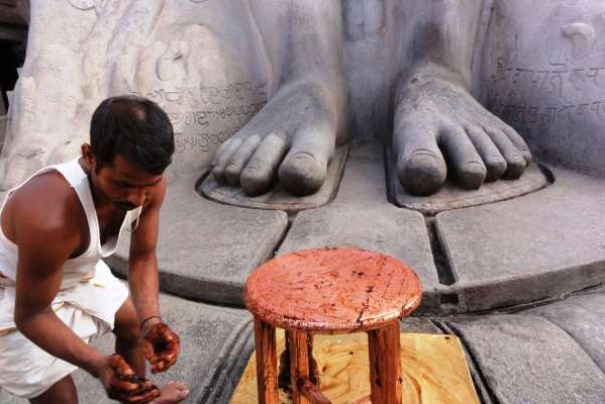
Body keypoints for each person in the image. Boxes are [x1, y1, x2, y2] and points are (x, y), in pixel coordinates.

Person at [0, 95, 189, 403]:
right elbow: (32, 313)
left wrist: (151, 321)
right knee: (63, 398)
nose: (138, 199)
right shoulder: (50, 216)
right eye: (124, 185)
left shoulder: (148, 184)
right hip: (16, 293)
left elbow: (142, 257)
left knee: (132, 326)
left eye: (147, 186)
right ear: (89, 156)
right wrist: (98, 365)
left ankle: (141, 399)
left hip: (74, 271)